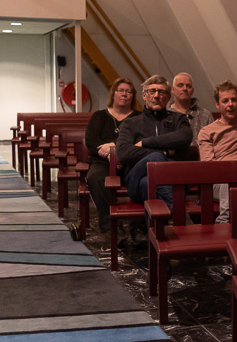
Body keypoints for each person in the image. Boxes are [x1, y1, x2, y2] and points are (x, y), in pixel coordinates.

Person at [116, 75, 193, 241]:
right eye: (152, 91)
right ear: (144, 95)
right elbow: (122, 152)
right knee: (155, 158)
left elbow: (185, 137)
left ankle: (155, 236)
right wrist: (163, 153)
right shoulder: (131, 123)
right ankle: (175, 212)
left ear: (168, 97)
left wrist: (146, 142)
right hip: (135, 181)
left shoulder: (178, 119)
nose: (157, 95)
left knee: (148, 182)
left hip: (170, 179)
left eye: (162, 92)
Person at [197, 80, 237, 223]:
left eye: (233, 100)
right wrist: (232, 174)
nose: (230, 104)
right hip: (219, 182)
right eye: (225, 101)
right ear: (218, 105)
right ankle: (224, 221)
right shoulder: (207, 131)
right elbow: (209, 166)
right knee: (230, 182)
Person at [84, 78, 140, 233]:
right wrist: (110, 156)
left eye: (128, 92)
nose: (124, 94)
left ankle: (139, 228)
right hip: (103, 161)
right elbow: (91, 140)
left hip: (130, 162)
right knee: (94, 177)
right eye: (120, 90)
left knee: (143, 179)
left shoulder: (139, 117)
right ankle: (110, 225)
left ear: (133, 96)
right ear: (113, 93)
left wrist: (114, 149)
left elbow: (138, 141)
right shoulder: (99, 116)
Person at [167, 72, 214, 146]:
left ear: (192, 91)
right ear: (172, 89)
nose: (185, 88)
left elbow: (213, 141)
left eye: (188, 86)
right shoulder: (165, 114)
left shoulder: (205, 115)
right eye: (180, 85)